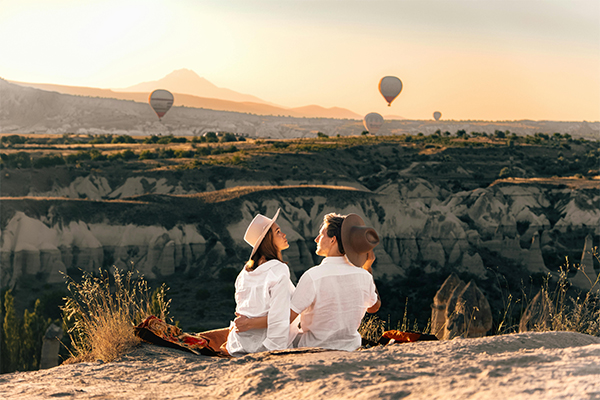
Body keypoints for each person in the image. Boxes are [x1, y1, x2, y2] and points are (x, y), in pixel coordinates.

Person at [235, 212, 381, 352]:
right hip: (351, 347)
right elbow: (374, 307)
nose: (316, 239)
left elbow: (285, 319)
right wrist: (367, 268)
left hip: (313, 347)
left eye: (321, 234)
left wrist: (250, 323)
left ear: (333, 240)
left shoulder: (313, 276)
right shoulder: (364, 276)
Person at [200, 208, 296, 357]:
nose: (284, 234)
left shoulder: (244, 273)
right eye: (277, 232)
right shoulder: (279, 269)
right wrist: (275, 349)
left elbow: (245, 313)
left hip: (239, 343)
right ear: (267, 240)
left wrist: (249, 324)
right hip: (265, 345)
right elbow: (279, 318)